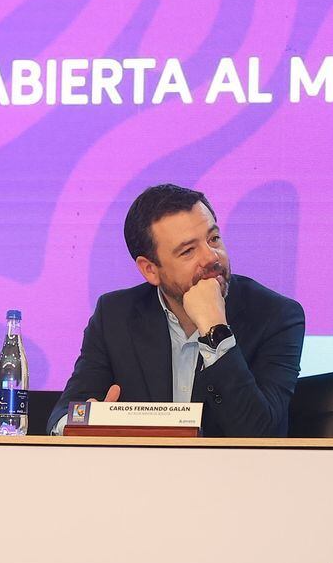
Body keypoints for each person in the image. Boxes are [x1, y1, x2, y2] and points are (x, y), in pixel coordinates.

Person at [48, 183, 305, 437]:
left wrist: (216, 331)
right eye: (188, 251)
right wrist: (83, 424)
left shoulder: (275, 316)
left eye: (213, 238)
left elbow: (261, 436)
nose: (211, 257)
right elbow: (62, 416)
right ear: (150, 269)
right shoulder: (115, 316)